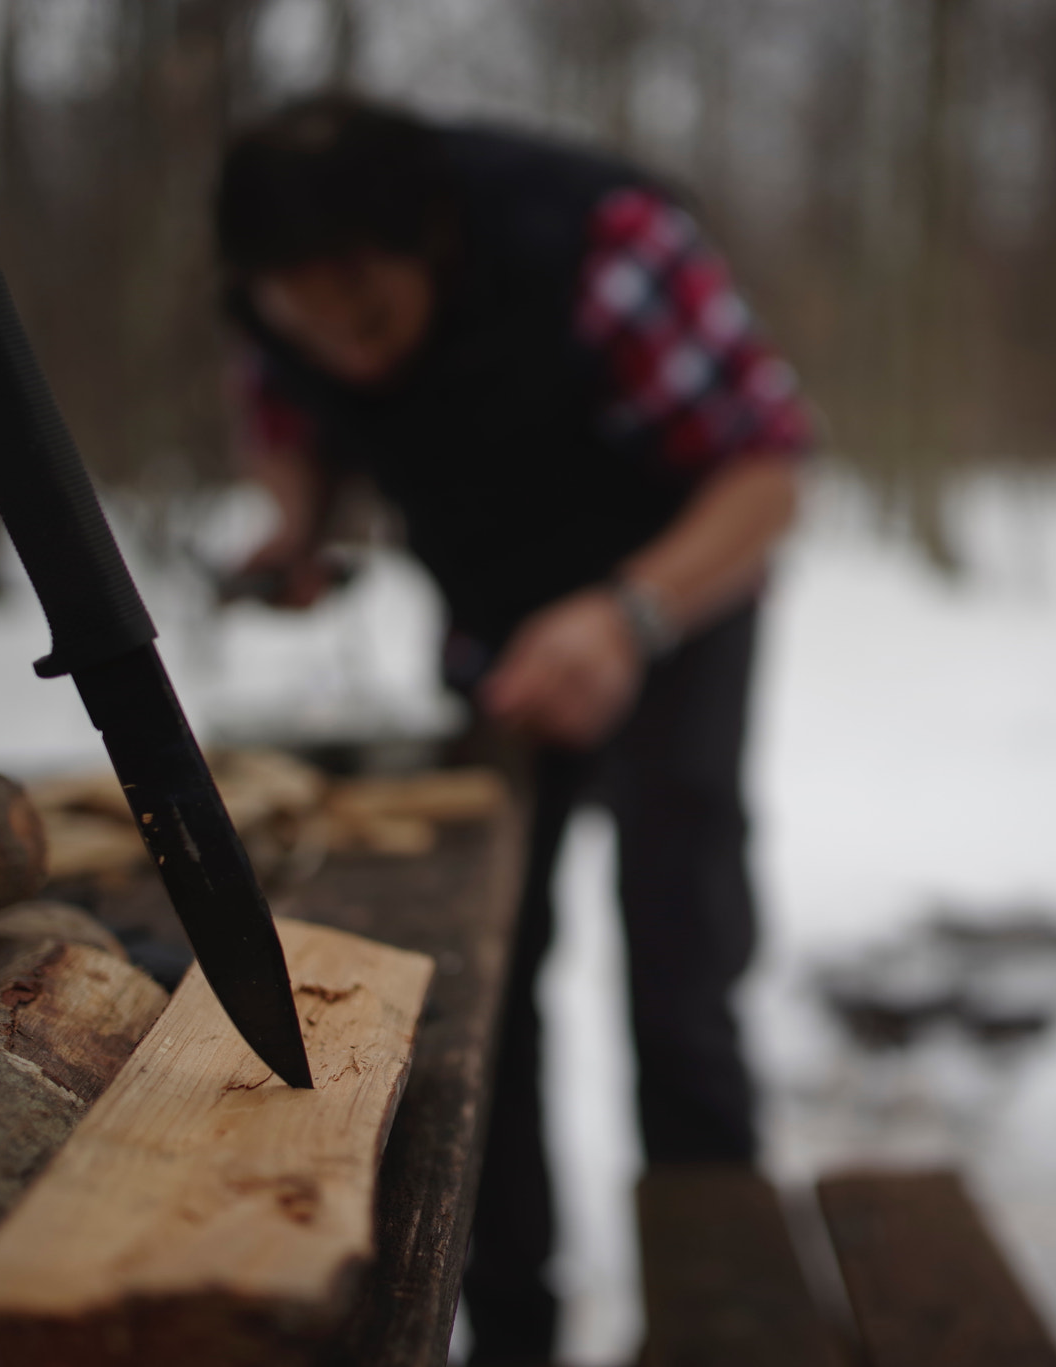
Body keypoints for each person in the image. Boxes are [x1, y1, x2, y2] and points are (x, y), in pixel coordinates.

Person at [214, 97, 813, 1364]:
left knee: (677, 950)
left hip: (678, 600)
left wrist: (625, 618)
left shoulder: (601, 243)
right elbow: (289, 420)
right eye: (309, 325)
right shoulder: (278, 298)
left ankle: (721, 1316)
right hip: (494, 628)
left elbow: (767, 469)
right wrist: (299, 521)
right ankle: (514, 1322)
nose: (351, 355)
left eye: (371, 320)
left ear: (435, 245)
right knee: (482, 977)